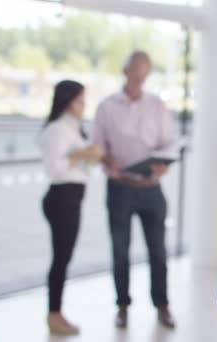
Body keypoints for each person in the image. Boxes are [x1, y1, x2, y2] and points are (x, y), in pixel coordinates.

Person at [93, 51, 176, 329]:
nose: (139, 76)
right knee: (120, 251)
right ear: (124, 70)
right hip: (120, 188)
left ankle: (162, 305)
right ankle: (122, 307)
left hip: (151, 189)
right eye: (135, 70)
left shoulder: (157, 106)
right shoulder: (106, 107)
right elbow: (97, 146)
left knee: (158, 252)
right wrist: (107, 159)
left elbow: (168, 143)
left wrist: (163, 164)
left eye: (144, 71)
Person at [40, 80, 104, 335]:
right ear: (67, 101)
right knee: (61, 259)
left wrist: (89, 156)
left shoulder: (74, 128)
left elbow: (79, 164)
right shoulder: (56, 130)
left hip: (72, 197)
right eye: (80, 100)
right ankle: (54, 314)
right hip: (61, 198)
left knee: (63, 257)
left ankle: (56, 312)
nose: (83, 105)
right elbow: (55, 169)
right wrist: (83, 154)